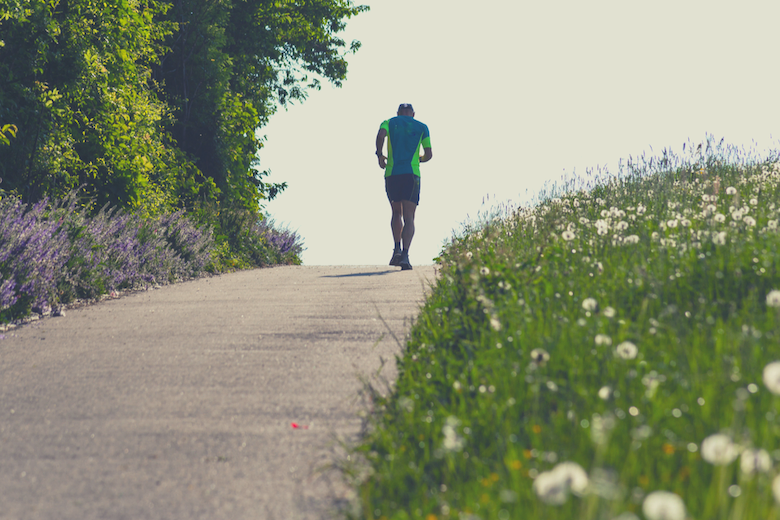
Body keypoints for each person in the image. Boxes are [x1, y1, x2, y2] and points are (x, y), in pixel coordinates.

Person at [375, 103, 433, 270]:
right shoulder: (422, 127)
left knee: (395, 212)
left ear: (398, 113)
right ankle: (406, 256)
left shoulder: (389, 122)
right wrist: (418, 159)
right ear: (413, 114)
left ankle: (396, 249)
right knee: (409, 217)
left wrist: (379, 155)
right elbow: (429, 154)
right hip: (411, 174)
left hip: (392, 173)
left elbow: (380, 136)